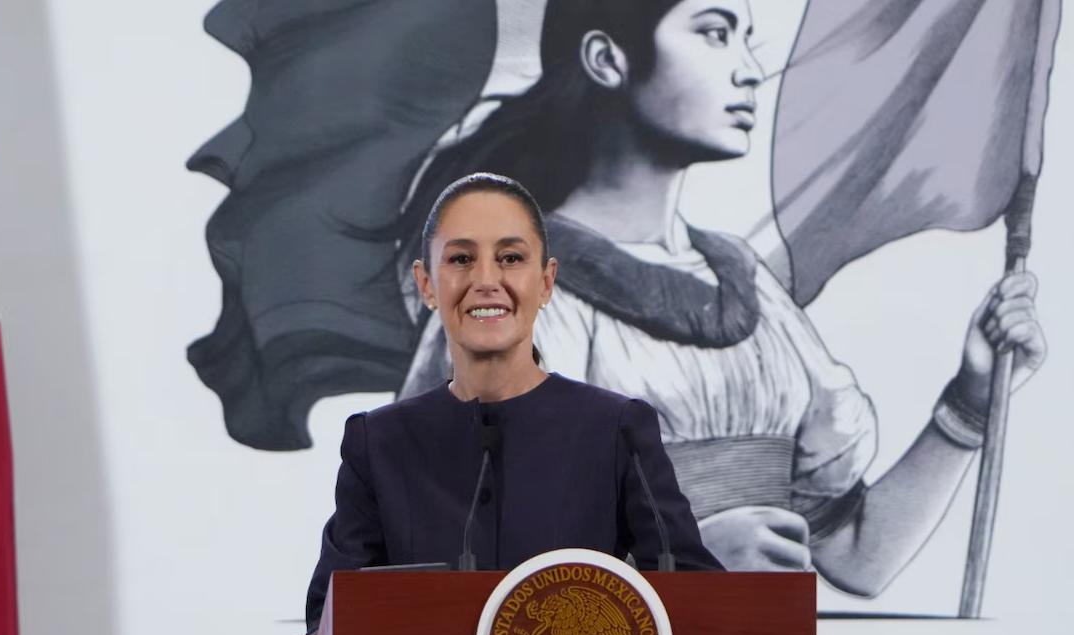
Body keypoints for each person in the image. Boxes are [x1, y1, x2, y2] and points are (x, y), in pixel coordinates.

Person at [395, 0, 1047, 597]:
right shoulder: (512, 295)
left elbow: (857, 556)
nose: (749, 71)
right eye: (714, 33)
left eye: (746, 39)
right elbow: (445, 575)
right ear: (607, 59)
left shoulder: (750, 287)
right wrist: (674, 565)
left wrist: (972, 397)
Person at [290, 173, 722, 635]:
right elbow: (331, 614)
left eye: (511, 258)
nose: (486, 281)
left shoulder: (616, 429)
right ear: (426, 284)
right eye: (461, 259)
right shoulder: (378, 443)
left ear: (546, 282)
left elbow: (700, 601)